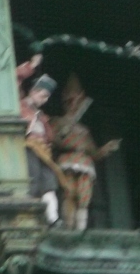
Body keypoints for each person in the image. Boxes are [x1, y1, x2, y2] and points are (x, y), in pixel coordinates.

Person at [51, 74, 121, 230]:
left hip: (85, 162)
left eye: (76, 102)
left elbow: (93, 153)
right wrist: (65, 129)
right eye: (69, 101)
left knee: (84, 196)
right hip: (67, 160)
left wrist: (106, 148)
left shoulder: (84, 130)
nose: (73, 105)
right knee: (69, 193)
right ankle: (68, 226)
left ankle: (80, 228)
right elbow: (53, 139)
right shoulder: (57, 121)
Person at [17, 55, 66, 225]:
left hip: (43, 150)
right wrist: (31, 66)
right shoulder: (19, 104)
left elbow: (50, 137)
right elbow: (14, 79)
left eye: (47, 97)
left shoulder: (42, 116)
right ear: (33, 91)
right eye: (43, 95)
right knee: (32, 180)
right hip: (27, 146)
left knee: (49, 182)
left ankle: (52, 218)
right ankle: (28, 216)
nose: (45, 100)